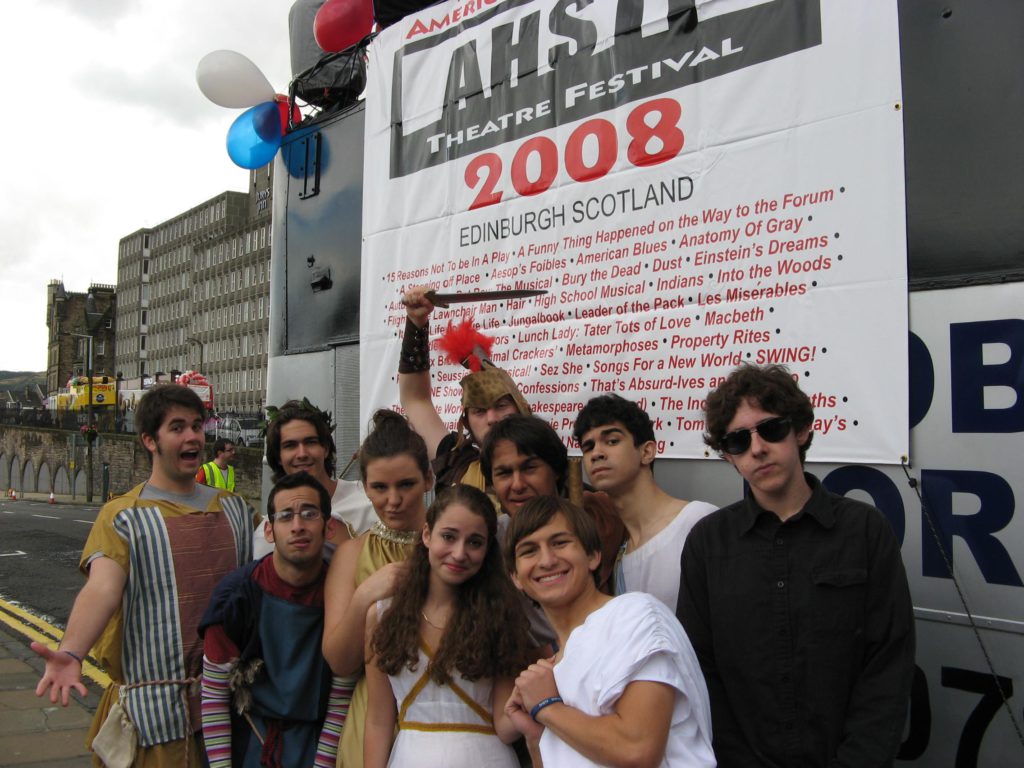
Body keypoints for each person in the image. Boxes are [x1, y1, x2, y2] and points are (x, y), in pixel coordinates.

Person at [678, 363, 915, 767]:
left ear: (801, 431)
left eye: (770, 429)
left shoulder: (865, 530)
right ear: (729, 457)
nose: (757, 448)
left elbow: (888, 662)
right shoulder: (707, 543)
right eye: (737, 441)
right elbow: (701, 670)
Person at [32, 384, 257, 766]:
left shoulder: (236, 510)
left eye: (197, 426)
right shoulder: (124, 515)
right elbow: (102, 587)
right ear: (150, 441)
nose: (192, 436)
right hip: (156, 721)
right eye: (177, 427)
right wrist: (72, 651)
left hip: (230, 713)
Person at [503, 496, 715, 768]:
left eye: (560, 543)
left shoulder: (634, 615)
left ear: (593, 556)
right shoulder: (552, 668)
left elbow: (637, 749)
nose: (546, 560)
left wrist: (547, 707)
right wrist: (537, 736)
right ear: (515, 577)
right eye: (529, 551)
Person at [364, 485, 533, 768]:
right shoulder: (381, 615)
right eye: (449, 536)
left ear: (488, 549)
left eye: (474, 542)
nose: (459, 553)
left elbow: (505, 723)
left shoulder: (500, 615)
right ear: (427, 535)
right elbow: (379, 720)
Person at [199, 472, 347, 767]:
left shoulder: (342, 595)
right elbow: (214, 697)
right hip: (252, 744)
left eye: (309, 514)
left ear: (329, 527)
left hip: (321, 745)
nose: (297, 526)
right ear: (269, 530)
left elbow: (341, 698)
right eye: (285, 516)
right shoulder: (235, 599)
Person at [323, 409, 434, 768]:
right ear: (365, 486)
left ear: (428, 480)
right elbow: (340, 661)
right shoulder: (351, 554)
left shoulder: (454, 549)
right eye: (380, 487)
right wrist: (364, 596)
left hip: (446, 715)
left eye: (406, 484)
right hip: (372, 719)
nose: (393, 500)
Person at [574, 394, 717, 609]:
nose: (596, 453)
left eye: (612, 441)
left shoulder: (697, 521)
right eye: (588, 447)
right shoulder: (621, 558)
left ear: (647, 451)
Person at [398, 285, 531, 490]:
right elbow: (416, 400)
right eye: (479, 411)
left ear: (521, 407)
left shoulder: (550, 468)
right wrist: (417, 323)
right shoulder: (458, 467)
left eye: (501, 405)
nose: (492, 419)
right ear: (466, 423)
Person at [258, 398, 378, 558]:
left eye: (310, 442)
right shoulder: (268, 529)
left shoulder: (369, 503)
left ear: (326, 449)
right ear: (278, 457)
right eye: (290, 446)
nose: (302, 454)